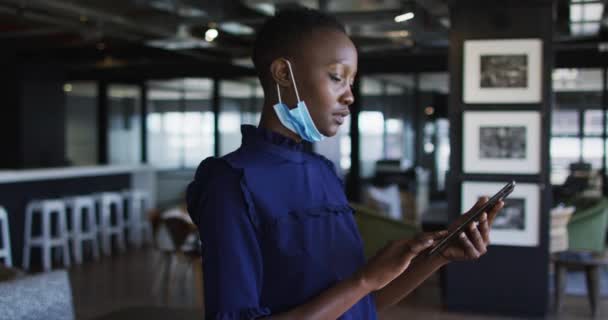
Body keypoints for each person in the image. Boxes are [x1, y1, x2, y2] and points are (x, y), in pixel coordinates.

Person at [186, 7, 504, 320]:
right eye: (337, 77)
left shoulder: (323, 173)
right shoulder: (230, 184)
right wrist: (363, 279)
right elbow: (359, 288)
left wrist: (438, 257)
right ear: (283, 73)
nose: (349, 96)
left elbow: (362, 304)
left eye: (351, 82)